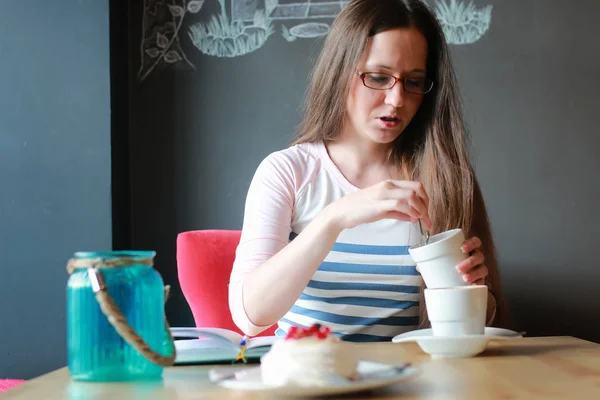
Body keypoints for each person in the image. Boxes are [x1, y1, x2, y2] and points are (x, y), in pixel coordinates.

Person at [229, 0, 508, 341]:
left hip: (411, 382)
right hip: (312, 378)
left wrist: (476, 294)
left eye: (414, 82)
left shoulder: (445, 178)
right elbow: (251, 317)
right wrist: (335, 218)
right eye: (378, 77)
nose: (396, 100)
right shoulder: (289, 172)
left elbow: (480, 325)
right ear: (340, 71)